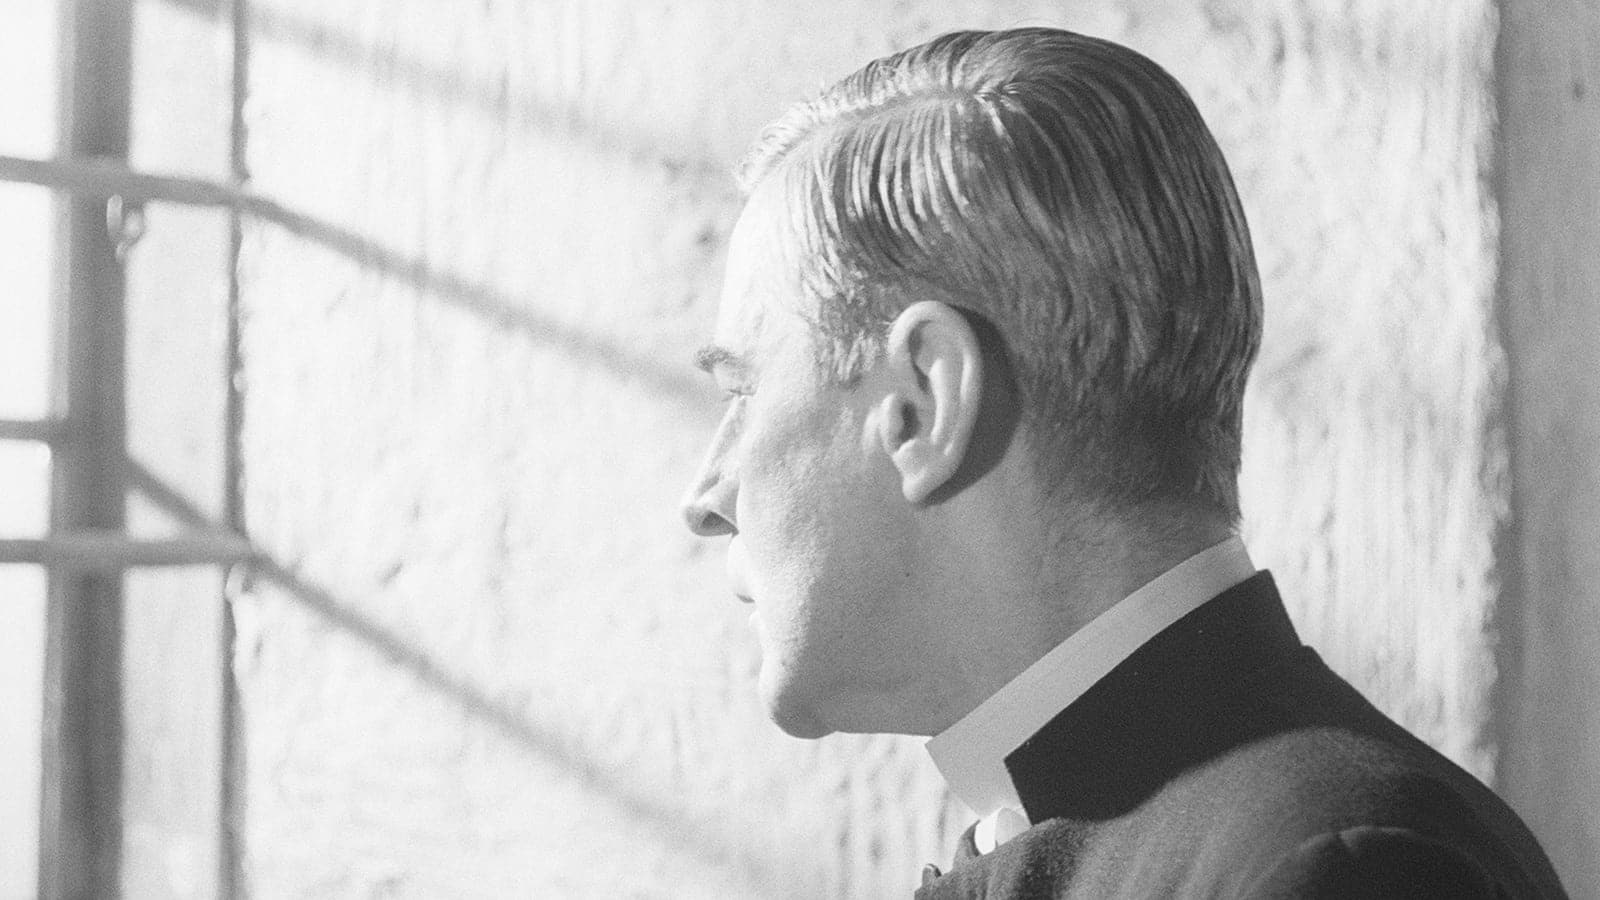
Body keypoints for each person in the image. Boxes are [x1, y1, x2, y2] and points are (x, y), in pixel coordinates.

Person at [679, 27, 1567, 898]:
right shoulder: (1178, 832)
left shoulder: (1339, 872)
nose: (707, 496)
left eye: (740, 394)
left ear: (925, 402)